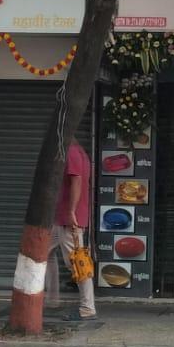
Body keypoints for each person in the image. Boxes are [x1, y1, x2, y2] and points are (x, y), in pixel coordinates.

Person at [56, 137, 97, 320]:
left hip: (68, 219)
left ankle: (88, 308)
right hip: (61, 218)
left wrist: (71, 211)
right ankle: (47, 297)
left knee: (79, 263)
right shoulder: (80, 152)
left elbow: (77, 181)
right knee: (37, 256)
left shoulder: (72, 153)